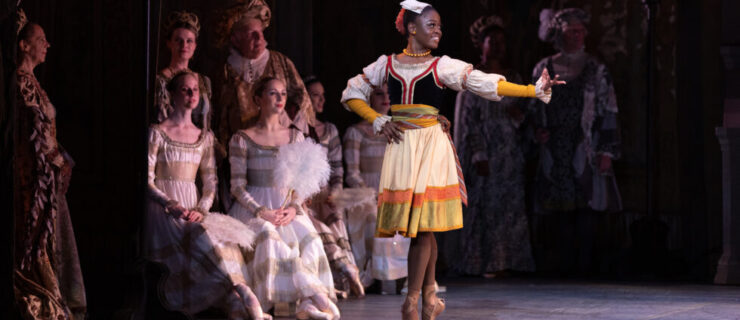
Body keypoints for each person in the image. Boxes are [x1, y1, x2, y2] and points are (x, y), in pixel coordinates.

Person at [340, 1, 563, 319]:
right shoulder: (386, 64)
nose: (438, 31)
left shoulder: (441, 65)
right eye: (432, 25)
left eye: (440, 26)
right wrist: (377, 120)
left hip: (431, 146)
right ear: (412, 28)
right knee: (421, 230)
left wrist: (532, 90)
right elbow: (351, 93)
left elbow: (487, 83)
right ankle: (414, 300)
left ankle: (424, 298)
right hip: (403, 146)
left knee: (425, 227)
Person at [144, 71, 269, 320]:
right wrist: (170, 204)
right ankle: (242, 293)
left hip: (193, 207)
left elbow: (210, 182)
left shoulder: (204, 137)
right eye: (185, 90)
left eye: (195, 90)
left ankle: (238, 296)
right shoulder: (157, 132)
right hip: (164, 210)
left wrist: (200, 209)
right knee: (202, 242)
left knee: (220, 240)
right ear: (172, 95)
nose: (191, 95)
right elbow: (147, 180)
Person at [228, 76, 340, 320]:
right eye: (272, 93)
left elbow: (300, 185)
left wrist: (292, 206)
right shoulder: (242, 138)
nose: (279, 99)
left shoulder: (295, 137)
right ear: (258, 99)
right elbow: (237, 186)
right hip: (255, 207)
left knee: (309, 239)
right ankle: (312, 293)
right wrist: (261, 211)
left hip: (286, 207)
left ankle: (307, 303)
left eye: (282, 94)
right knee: (269, 237)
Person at [530, 8, 622, 273]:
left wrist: (607, 151)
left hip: (585, 145)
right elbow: (534, 106)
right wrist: (538, 131)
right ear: (560, 34)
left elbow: (609, 110)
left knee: (586, 207)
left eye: (580, 31)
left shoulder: (596, 70)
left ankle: (585, 267)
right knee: (557, 210)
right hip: (555, 145)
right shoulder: (544, 67)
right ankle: (559, 266)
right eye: (571, 31)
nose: (576, 36)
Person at [13, 16, 87, 319]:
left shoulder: (33, 82)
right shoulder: (21, 83)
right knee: (41, 240)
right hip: (38, 180)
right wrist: (57, 162)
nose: (47, 45)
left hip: (51, 176)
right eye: (41, 39)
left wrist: (62, 159)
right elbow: (34, 139)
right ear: (24, 45)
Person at [449, 15, 535, 277]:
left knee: (510, 210)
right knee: (485, 208)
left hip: (509, 151)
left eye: (501, 42)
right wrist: (477, 153)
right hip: (485, 153)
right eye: (492, 41)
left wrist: (520, 119)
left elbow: (524, 110)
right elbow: (468, 120)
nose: (497, 46)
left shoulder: (513, 76)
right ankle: (484, 262)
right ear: (481, 45)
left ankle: (509, 261)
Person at [215, 0, 315, 146]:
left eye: (260, 33)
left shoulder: (280, 61)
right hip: (242, 148)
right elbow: (220, 117)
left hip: (280, 143)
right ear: (236, 39)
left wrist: (292, 131)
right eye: (252, 34)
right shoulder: (225, 70)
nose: (259, 38)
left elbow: (302, 101)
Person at [302, 76, 365, 298]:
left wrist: (336, 192)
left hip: (324, 192)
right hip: (303, 194)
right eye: (314, 95)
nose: (320, 100)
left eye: (322, 95)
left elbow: (337, 167)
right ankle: (337, 271)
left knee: (335, 221)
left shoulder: (328, 130)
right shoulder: (293, 128)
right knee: (314, 227)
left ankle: (344, 275)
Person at [343, 83, 411, 290]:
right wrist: (371, 194)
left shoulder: (401, 131)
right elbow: (352, 174)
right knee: (375, 216)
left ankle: (400, 277)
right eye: (379, 94)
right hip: (365, 194)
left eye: (389, 94)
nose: (385, 98)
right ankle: (378, 277)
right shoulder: (356, 132)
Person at [154, 11, 212, 131]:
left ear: (195, 45)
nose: (184, 45)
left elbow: (207, 123)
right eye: (178, 40)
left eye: (189, 41)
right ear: (169, 43)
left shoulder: (204, 81)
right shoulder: (160, 81)